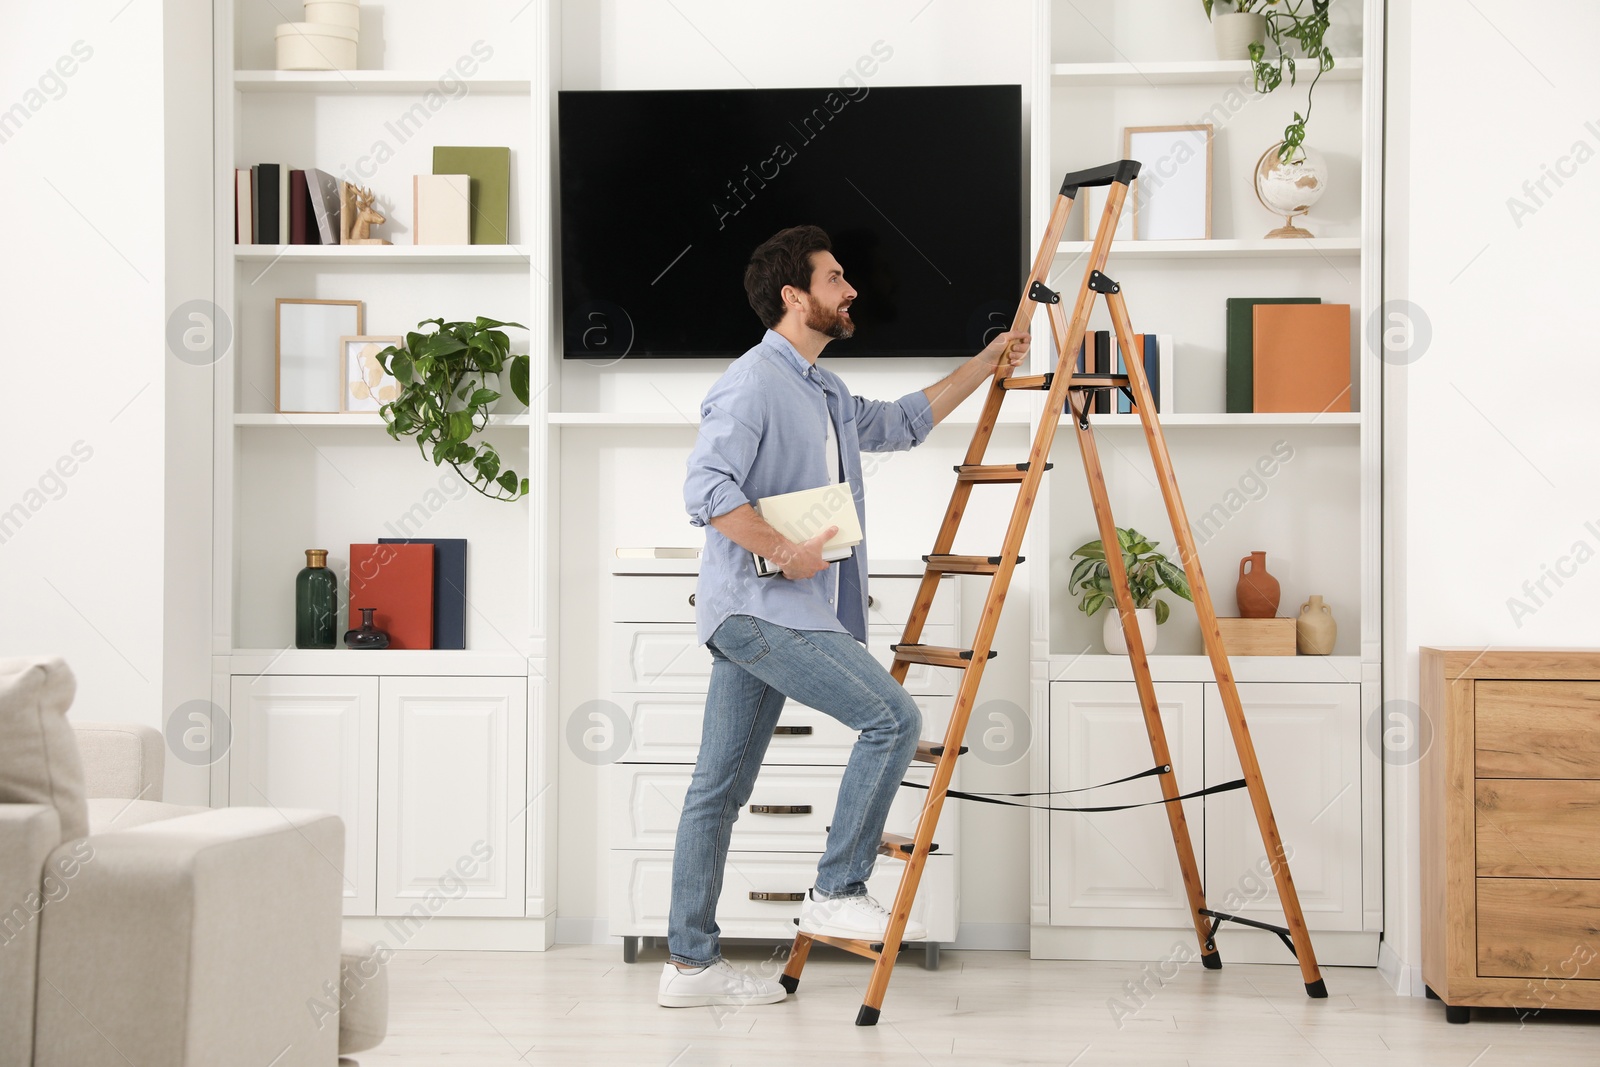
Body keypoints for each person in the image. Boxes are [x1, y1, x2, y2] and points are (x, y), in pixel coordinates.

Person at [659, 224, 1029, 1009]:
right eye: (834, 279)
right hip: (760, 607)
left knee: (716, 787)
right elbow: (706, 489)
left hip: (777, 609)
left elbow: (901, 421)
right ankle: (838, 886)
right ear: (795, 297)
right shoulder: (752, 381)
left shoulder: (821, 390)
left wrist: (988, 360)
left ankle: (688, 965)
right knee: (893, 717)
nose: (850, 289)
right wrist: (782, 550)